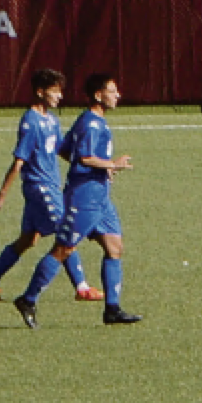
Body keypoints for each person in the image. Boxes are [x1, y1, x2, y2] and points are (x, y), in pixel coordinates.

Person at [0, 69, 95, 317]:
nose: (60, 96)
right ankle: (82, 287)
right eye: (55, 91)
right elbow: (19, 160)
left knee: (29, 239)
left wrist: (85, 164)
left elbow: (60, 150)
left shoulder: (51, 119)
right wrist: (2, 194)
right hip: (39, 187)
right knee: (66, 233)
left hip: (50, 185)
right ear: (40, 92)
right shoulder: (30, 122)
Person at [58, 74, 142, 326]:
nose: (118, 95)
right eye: (112, 91)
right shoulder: (92, 123)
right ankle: (29, 297)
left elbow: (64, 150)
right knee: (63, 248)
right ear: (98, 95)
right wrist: (111, 164)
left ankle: (112, 309)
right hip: (84, 195)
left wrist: (104, 168)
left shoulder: (94, 121)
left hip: (101, 196)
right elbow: (82, 157)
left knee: (115, 248)